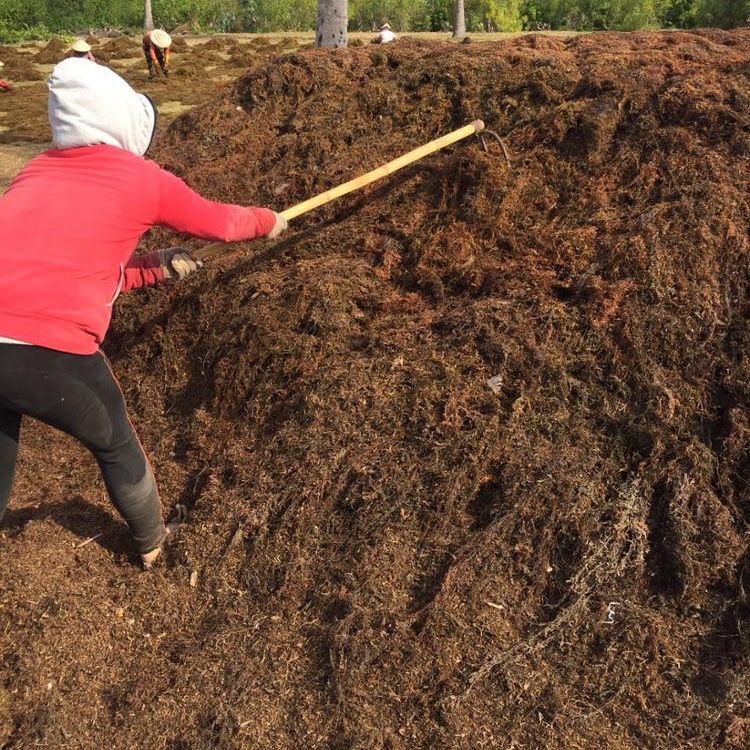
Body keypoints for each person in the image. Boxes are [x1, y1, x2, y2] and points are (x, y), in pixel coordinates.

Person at [0, 57, 287, 569]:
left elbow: (77, 268)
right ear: (121, 120)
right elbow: (219, 223)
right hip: (50, 347)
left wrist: (155, 267)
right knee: (114, 439)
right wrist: (269, 220)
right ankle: (153, 543)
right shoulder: (140, 177)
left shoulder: (36, 170)